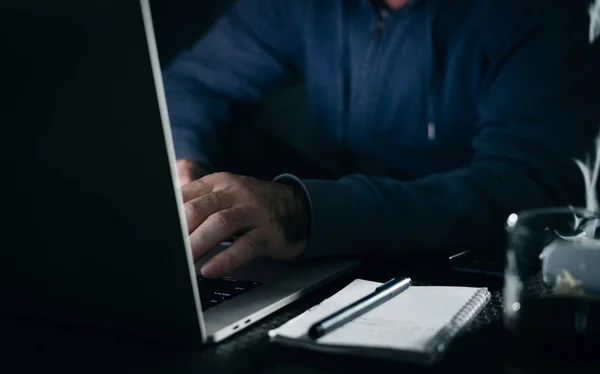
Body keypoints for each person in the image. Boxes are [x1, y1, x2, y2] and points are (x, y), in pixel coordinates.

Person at [163, 0, 599, 279]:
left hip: (506, 279)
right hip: (352, 254)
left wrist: (301, 211)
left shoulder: (549, 12)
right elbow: (192, 85)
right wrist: (186, 170)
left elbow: (529, 191)